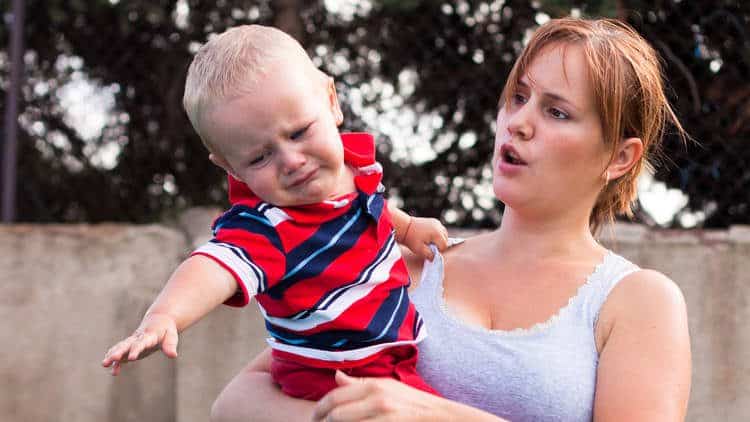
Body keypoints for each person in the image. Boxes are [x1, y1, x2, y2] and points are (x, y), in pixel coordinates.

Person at [208, 17, 692, 422]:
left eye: (558, 112)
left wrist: (439, 416)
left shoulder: (637, 301)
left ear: (621, 157)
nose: (519, 122)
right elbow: (235, 402)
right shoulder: (408, 264)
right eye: (518, 97)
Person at [101, 24, 450, 401]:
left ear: (331, 102)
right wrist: (165, 315)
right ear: (231, 169)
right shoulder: (268, 225)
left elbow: (370, 211)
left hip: (389, 361)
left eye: (299, 132)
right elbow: (212, 266)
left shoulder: (354, 169)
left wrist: (409, 227)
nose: (292, 160)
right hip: (332, 380)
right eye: (260, 156)